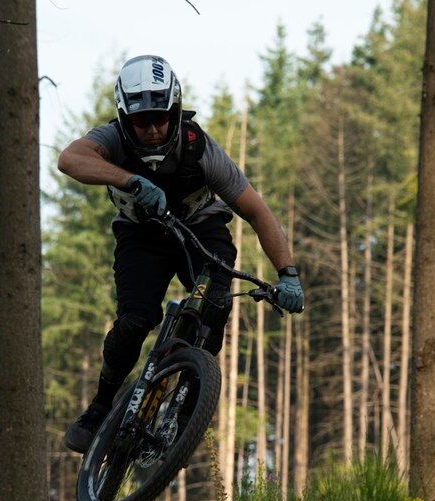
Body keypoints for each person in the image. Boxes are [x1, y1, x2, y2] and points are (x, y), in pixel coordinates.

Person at [58, 54, 305, 453]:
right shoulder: (111, 139)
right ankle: (100, 406)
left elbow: (257, 212)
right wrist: (132, 180)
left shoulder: (200, 149)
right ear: (124, 119)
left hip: (200, 229)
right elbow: (69, 160)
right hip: (140, 236)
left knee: (215, 302)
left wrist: (287, 273)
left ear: (175, 112)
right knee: (135, 322)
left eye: (160, 118)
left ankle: (187, 414)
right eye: (141, 121)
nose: (152, 129)